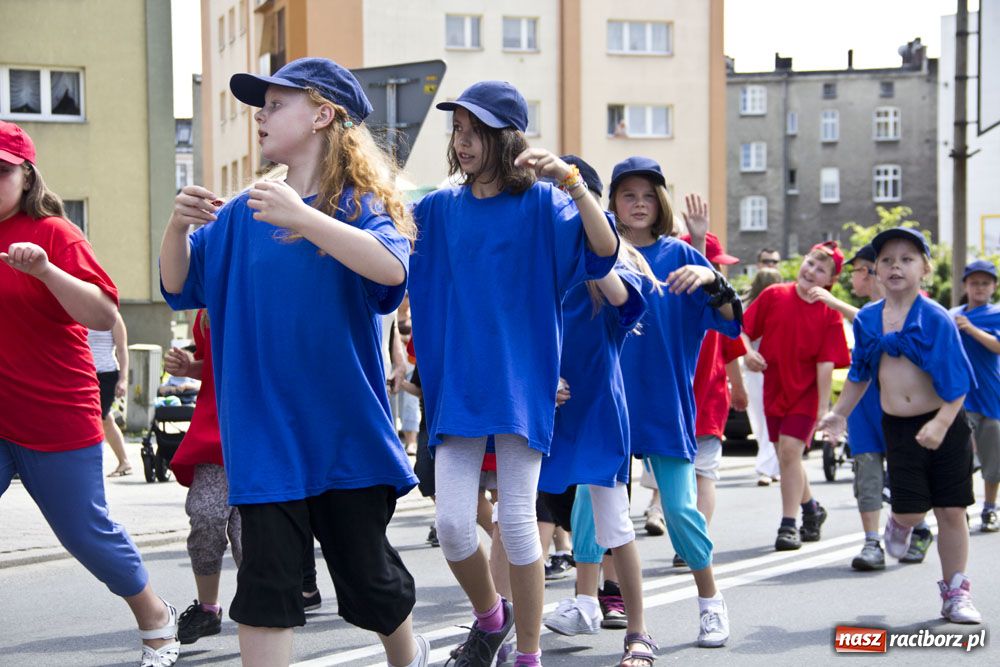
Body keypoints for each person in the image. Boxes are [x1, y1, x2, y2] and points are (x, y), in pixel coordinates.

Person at [159, 58, 427, 667]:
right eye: (263, 104)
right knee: (266, 590)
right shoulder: (237, 216)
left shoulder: (356, 205)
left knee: (371, 585)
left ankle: (407, 654)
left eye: (277, 104)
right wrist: (176, 228)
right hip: (263, 440)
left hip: (344, 437)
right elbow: (178, 284)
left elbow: (392, 270)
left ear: (322, 115)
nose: (261, 114)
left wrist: (305, 218)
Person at [409, 81, 619, 667]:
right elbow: (384, 242)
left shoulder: (543, 205)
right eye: (457, 130)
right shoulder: (438, 208)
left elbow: (602, 250)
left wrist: (574, 185)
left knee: (519, 523)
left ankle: (528, 654)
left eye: (475, 131)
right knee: (452, 525)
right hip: (458, 386)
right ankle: (490, 616)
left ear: (505, 139)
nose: (463, 141)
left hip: (522, 386)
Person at [0, 120, 180, 667]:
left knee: (87, 532)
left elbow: (102, 314)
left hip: (55, 413)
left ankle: (155, 616)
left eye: (0, 170)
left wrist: (49, 272)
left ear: (26, 176)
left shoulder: (55, 233)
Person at [819, 227, 982, 624]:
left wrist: (942, 423)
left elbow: (958, 381)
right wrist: (839, 414)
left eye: (907, 259)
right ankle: (900, 522)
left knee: (950, 508)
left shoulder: (936, 318)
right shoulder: (869, 320)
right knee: (910, 510)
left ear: (925, 268)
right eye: (887, 260)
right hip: (900, 428)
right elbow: (859, 373)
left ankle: (956, 592)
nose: (896, 266)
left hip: (944, 424)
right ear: (875, 270)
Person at [613, 156, 742, 649]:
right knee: (590, 506)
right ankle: (586, 601)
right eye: (629, 195)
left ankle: (711, 602)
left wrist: (714, 281)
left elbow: (733, 320)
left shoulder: (683, 257)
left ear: (661, 202)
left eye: (649, 195)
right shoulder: (603, 250)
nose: (639, 203)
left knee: (681, 511)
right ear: (614, 204)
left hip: (666, 402)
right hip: (611, 403)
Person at [534, 155, 655, 666]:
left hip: (599, 416)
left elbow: (630, 304)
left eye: (565, 198)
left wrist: (596, 255)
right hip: (540, 413)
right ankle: (513, 634)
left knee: (614, 526)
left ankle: (639, 633)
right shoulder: (535, 269)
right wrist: (540, 380)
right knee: (519, 524)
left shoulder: (607, 271)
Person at [742, 241, 851, 551]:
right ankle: (812, 509)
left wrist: (822, 411)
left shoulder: (829, 312)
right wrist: (748, 353)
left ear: (829, 281)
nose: (812, 271)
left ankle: (788, 525)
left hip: (805, 394)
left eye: (821, 270)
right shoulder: (774, 294)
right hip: (774, 388)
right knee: (784, 456)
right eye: (810, 263)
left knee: (790, 452)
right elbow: (742, 328)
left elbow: (826, 364)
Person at [162, 310, 244, 646]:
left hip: (263, 429)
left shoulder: (261, 285)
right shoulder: (206, 309)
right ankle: (208, 609)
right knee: (205, 515)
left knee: (250, 534)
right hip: (217, 430)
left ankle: (263, 606)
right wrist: (188, 368)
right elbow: (212, 365)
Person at [681, 219, 747, 539]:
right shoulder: (721, 309)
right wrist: (741, 391)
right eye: (716, 264)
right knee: (703, 476)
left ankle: (690, 539)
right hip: (705, 404)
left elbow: (732, 352)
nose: (721, 271)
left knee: (687, 477)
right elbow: (733, 354)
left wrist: (740, 390)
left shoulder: (675, 304)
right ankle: (694, 542)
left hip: (685, 404)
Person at [950, 259, 1000, 533]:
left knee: (993, 459)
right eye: (974, 282)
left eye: (985, 283)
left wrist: (970, 328)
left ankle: (990, 508)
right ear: (965, 285)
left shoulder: (996, 314)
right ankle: (961, 511)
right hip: (959, 399)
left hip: (992, 397)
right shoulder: (951, 314)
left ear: (993, 287)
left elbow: (997, 347)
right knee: (960, 458)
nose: (979, 288)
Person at [741, 268, 783, 486]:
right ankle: (771, 464)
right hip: (755, 367)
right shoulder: (747, 306)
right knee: (760, 420)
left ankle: (768, 467)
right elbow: (740, 332)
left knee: (766, 418)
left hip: (772, 368)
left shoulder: (782, 304)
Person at [88, 311, 132, 476]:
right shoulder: (80, 312)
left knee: (99, 417)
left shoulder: (113, 317)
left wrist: (123, 379)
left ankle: (92, 463)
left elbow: (122, 349)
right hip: (85, 373)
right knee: (106, 419)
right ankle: (124, 461)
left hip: (106, 374)